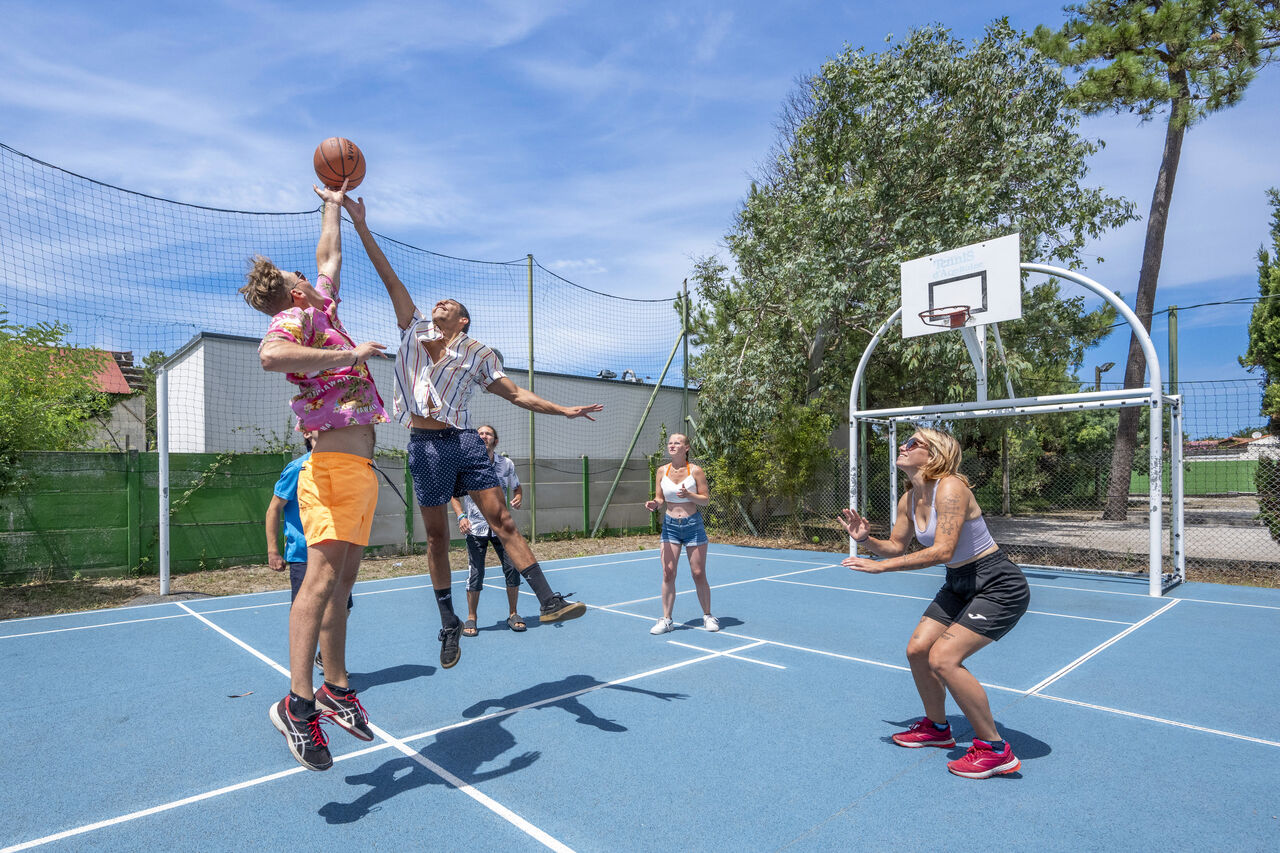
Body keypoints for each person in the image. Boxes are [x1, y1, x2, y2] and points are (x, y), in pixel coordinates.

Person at [342, 193, 602, 671]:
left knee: (502, 521)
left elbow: (518, 394)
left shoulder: (479, 354)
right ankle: (448, 624)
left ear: (462, 321)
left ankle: (548, 601)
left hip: (462, 440)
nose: (439, 303)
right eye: (437, 301)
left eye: (450, 304)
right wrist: (360, 225)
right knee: (438, 538)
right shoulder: (412, 329)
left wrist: (563, 410)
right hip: (425, 444)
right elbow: (390, 277)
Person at [239, 180, 388, 772]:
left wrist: (335, 202)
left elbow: (331, 253)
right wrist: (348, 357)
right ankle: (296, 706)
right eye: (306, 277)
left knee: (343, 587)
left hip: (358, 467)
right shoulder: (299, 318)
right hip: (329, 467)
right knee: (319, 586)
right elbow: (270, 357)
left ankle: (336, 686)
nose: (316, 276)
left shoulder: (319, 308)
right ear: (293, 290)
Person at [838, 427, 1030, 780]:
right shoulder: (908, 499)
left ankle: (995, 750)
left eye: (913, 443)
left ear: (934, 454)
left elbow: (942, 550)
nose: (903, 446)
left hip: (997, 583)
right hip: (959, 583)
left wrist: (881, 569)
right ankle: (938, 729)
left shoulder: (952, 487)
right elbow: (896, 546)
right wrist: (866, 541)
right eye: (904, 442)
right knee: (917, 650)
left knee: (944, 658)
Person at [265, 430, 353, 670]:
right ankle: (302, 681)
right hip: (304, 555)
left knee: (341, 609)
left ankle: (325, 657)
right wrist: (273, 550)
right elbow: (274, 509)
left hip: (334, 554)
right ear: (306, 433)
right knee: (310, 614)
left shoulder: (339, 467)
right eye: (318, 427)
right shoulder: (298, 469)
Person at [449, 424, 527, 635]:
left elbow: (517, 487)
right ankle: (471, 618)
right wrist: (461, 516)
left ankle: (513, 613)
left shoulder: (506, 464)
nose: (483, 436)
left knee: (512, 568)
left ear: (495, 440)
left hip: (501, 528)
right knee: (476, 573)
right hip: (476, 528)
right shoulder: (466, 465)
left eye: (488, 433)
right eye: (480, 433)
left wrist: (518, 496)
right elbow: (453, 494)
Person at [643, 433, 718, 634]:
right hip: (670, 526)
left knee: (698, 573)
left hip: (693, 524)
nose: (672, 445)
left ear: (686, 448)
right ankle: (666, 620)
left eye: (677, 442)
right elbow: (660, 498)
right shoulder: (661, 471)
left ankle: (708, 616)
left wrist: (689, 495)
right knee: (668, 572)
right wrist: (654, 504)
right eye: (670, 442)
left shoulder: (696, 471)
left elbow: (705, 500)